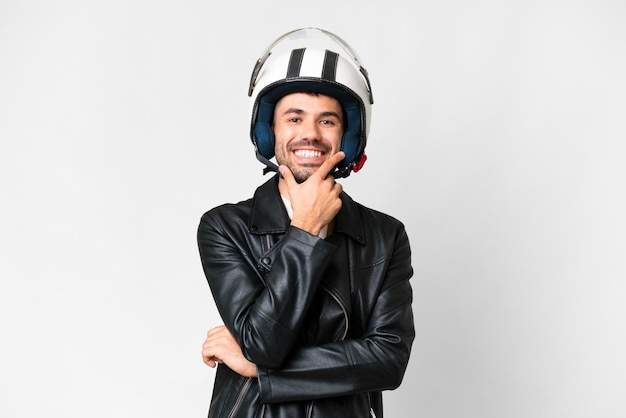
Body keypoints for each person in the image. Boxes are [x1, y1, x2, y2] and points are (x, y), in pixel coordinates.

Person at [198, 27, 415, 418]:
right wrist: (306, 229)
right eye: (294, 118)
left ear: (348, 135)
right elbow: (265, 342)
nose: (310, 135)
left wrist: (260, 372)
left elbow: (388, 359)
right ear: (270, 133)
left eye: (327, 121)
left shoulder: (386, 236)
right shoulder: (223, 227)